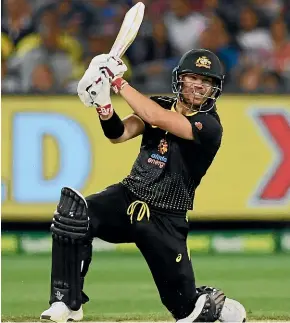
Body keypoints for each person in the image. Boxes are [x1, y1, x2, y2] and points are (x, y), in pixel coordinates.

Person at [40, 49, 246, 323]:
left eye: (206, 81)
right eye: (193, 78)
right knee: (74, 214)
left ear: (214, 88)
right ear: (180, 80)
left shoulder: (209, 126)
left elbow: (158, 118)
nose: (198, 86)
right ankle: (66, 303)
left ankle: (215, 305)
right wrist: (104, 105)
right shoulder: (160, 102)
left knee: (186, 310)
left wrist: (117, 82)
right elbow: (118, 134)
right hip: (128, 197)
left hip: (166, 217)